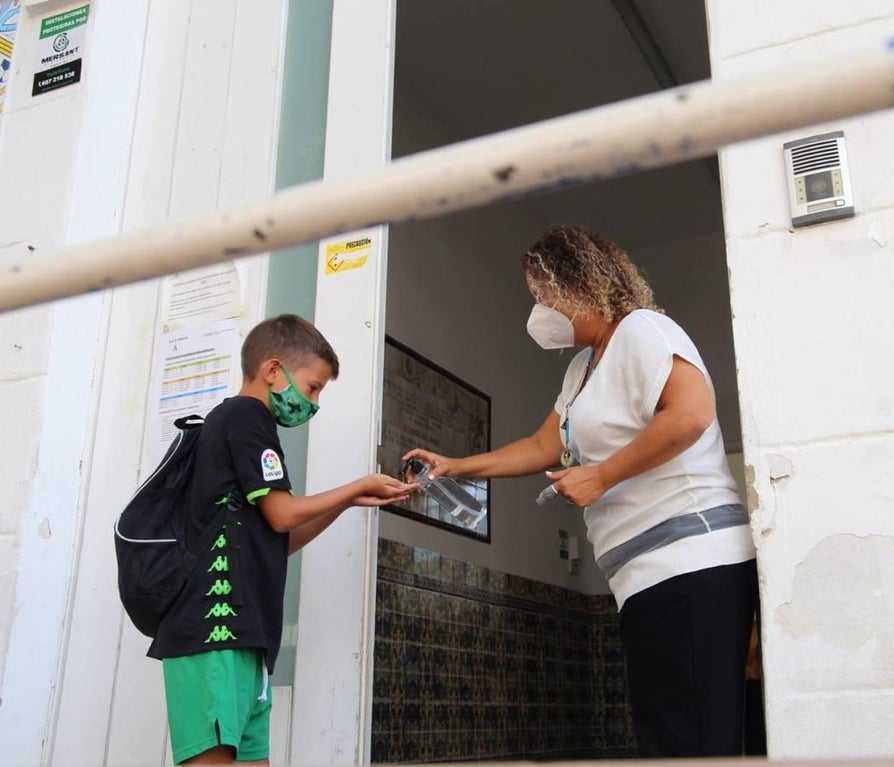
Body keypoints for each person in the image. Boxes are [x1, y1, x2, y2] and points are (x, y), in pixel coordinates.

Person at [403, 226, 758, 757]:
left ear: (581, 286)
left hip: (692, 561)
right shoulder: (580, 370)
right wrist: (455, 465)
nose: (539, 311)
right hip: (643, 576)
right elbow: (543, 444)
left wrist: (602, 474)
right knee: (670, 739)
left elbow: (691, 413)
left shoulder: (643, 331)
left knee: (695, 742)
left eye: (544, 297)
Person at [148, 314, 417, 765]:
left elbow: (279, 536)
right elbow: (282, 513)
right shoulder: (245, 417)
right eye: (313, 387)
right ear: (273, 371)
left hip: (245, 637)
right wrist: (354, 486)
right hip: (214, 632)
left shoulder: (246, 426)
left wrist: (349, 502)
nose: (312, 403)